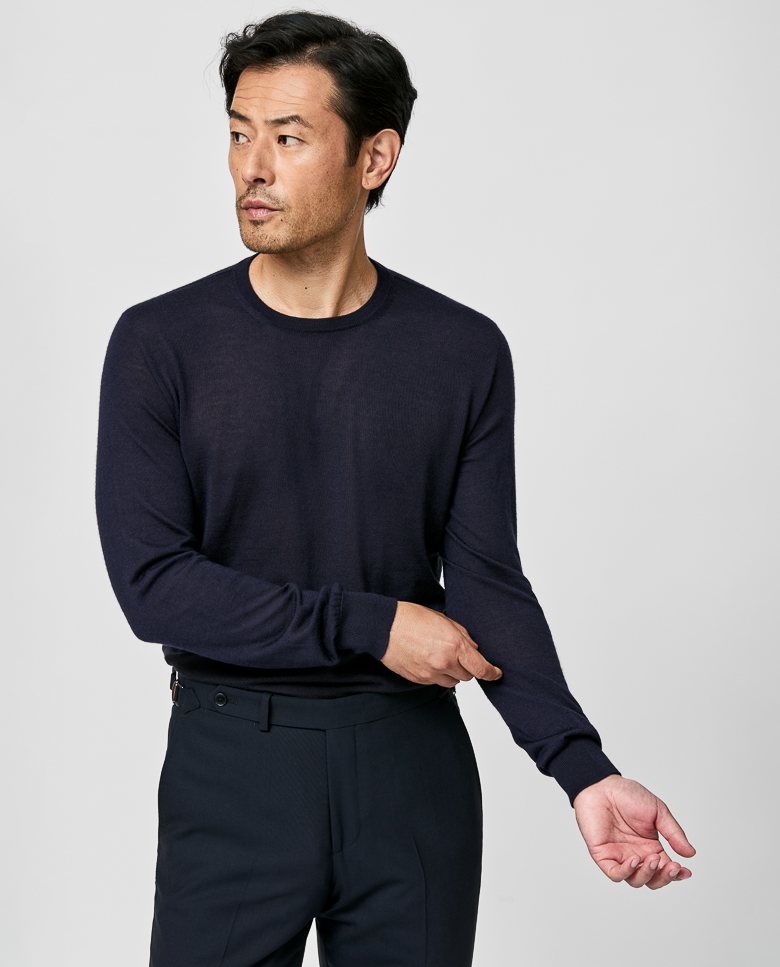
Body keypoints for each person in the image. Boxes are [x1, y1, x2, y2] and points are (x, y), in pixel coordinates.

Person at [95, 10, 695, 967]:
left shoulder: (460, 349)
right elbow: (156, 587)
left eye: (288, 138)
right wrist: (374, 623)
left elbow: (488, 581)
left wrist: (582, 767)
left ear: (374, 157)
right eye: (239, 134)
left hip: (412, 769)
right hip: (233, 761)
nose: (253, 167)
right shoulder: (160, 343)